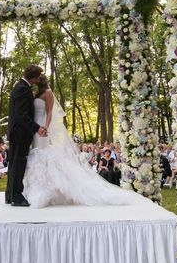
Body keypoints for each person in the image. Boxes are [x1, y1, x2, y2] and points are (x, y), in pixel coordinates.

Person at [23, 74, 140, 208]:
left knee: (44, 155)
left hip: (43, 128)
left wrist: (46, 127)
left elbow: (49, 112)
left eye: (37, 79)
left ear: (40, 80)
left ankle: (44, 191)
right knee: (40, 156)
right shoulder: (36, 94)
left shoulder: (48, 93)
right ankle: (43, 189)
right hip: (35, 128)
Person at [5, 65, 48, 207]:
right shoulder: (23, 89)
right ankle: (17, 196)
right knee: (18, 164)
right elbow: (21, 115)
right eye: (37, 77)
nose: (38, 80)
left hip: (17, 132)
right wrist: (36, 128)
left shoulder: (20, 86)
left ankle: (10, 194)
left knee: (14, 164)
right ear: (33, 77)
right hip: (20, 133)